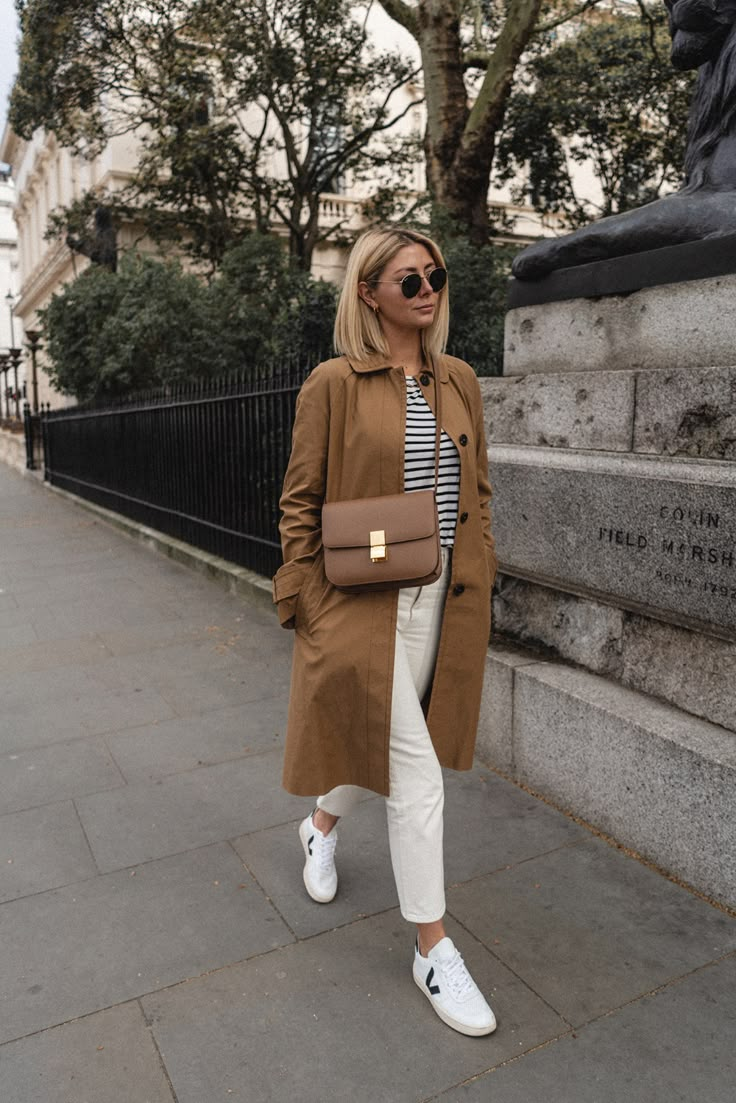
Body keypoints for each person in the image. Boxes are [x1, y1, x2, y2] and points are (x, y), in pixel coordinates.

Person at [272, 226, 499, 1037]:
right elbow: (300, 503)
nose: (427, 289)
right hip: (358, 604)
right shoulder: (334, 383)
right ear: (369, 292)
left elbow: (477, 490)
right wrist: (302, 602)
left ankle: (318, 825)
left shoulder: (460, 380)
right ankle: (433, 948)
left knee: (380, 745)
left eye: (435, 274)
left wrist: (482, 568)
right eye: (409, 280)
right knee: (417, 774)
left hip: (439, 597)